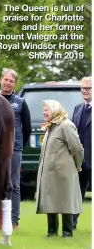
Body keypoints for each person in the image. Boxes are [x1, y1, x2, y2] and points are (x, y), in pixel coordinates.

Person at [36, 99, 84, 238]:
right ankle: (52, 232)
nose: (44, 112)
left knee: (65, 200)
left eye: (47, 110)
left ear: (55, 109)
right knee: (51, 200)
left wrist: (78, 164)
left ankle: (67, 232)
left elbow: (77, 148)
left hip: (63, 171)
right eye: (44, 110)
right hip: (50, 171)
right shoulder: (50, 126)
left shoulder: (66, 125)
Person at [0, 68, 31, 231]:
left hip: (14, 149)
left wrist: (18, 145)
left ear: (15, 84)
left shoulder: (20, 102)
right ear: (0, 80)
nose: (8, 83)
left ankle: (13, 221)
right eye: (6, 80)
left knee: (14, 185)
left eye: (11, 81)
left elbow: (28, 128)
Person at [71, 76, 92, 229]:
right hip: (80, 160)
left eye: (88, 88)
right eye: (83, 88)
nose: (84, 91)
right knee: (77, 193)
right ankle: (72, 223)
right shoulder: (78, 108)